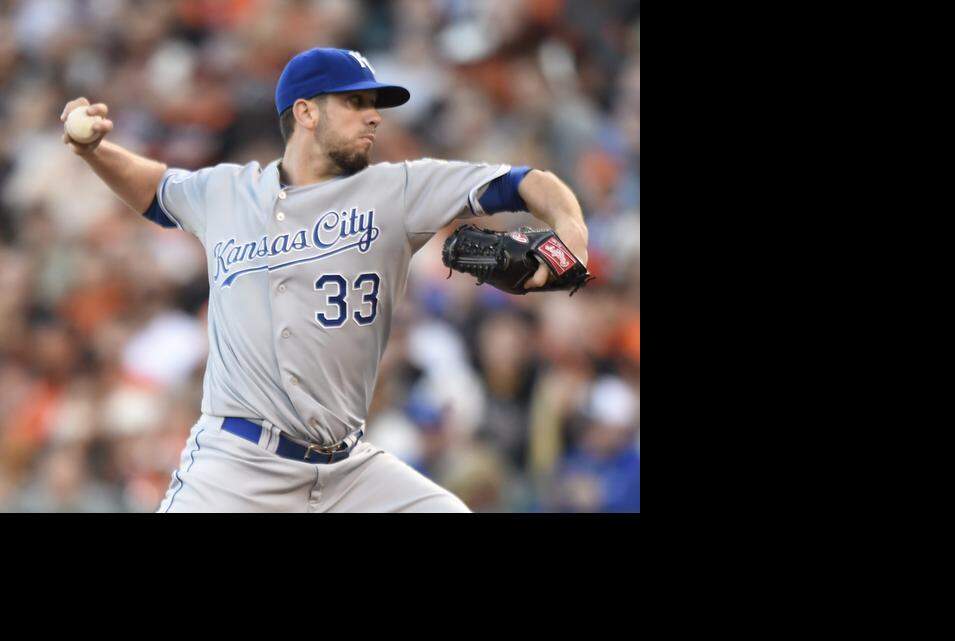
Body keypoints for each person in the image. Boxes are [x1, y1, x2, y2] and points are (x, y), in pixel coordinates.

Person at [58, 47, 589, 512]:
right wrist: (94, 150)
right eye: (356, 102)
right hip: (237, 466)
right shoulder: (226, 193)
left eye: (375, 105)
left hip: (348, 470)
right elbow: (155, 190)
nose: (374, 117)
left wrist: (572, 233)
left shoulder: (397, 191)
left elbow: (525, 183)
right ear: (306, 112)